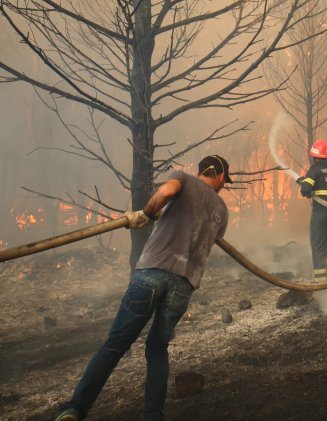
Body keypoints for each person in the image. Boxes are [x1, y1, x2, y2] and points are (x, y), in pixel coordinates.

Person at [54, 155, 231, 421]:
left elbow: (167, 191)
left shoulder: (183, 178)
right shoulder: (221, 209)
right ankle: (152, 416)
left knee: (116, 344)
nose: (223, 186)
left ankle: (75, 408)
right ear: (218, 175)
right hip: (183, 285)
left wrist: (146, 214)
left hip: (153, 273)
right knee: (157, 349)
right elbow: (211, 237)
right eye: (224, 181)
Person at [297, 139, 327, 281]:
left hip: (321, 214)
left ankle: (321, 282)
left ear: (315, 157)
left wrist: (303, 183)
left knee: (318, 247)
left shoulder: (315, 170)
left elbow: (306, 190)